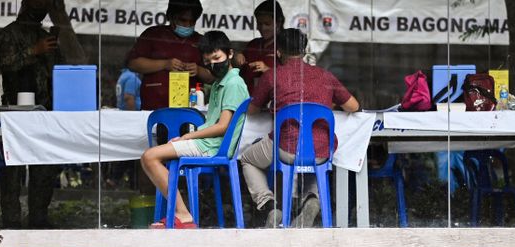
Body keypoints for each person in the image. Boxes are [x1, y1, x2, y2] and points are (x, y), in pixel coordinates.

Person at [240, 28, 359, 228]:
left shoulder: (272, 76)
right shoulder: (325, 76)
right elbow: (353, 106)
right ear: (304, 51)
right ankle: (312, 199)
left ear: (278, 52)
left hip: (285, 149)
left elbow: (251, 110)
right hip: (321, 151)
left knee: (247, 159)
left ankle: (269, 205)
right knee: (313, 161)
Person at [141, 31, 249, 229]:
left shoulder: (233, 84)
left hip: (212, 146)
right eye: (207, 61)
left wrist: (188, 136)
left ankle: (182, 215)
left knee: (150, 157)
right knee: (154, 155)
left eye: (217, 58)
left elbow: (222, 127)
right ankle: (179, 213)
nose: (212, 65)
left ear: (230, 54)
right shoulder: (220, 83)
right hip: (208, 143)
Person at [0, 0, 84, 228]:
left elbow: (66, 67)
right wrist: (35, 50)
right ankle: (11, 221)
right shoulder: (9, 34)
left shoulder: (45, 36)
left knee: (44, 169)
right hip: (16, 111)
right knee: (13, 171)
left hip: (44, 111)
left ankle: (38, 218)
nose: (39, 9)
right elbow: (6, 63)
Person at [126, 0, 213, 111]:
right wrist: (165, 64)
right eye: (183, 20)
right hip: (154, 108)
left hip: (189, 109)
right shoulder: (153, 34)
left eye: (192, 21)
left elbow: (213, 77)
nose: (188, 25)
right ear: (171, 16)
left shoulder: (200, 41)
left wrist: (198, 70)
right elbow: (132, 63)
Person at [236, 0, 284, 92]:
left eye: (267, 24)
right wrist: (237, 57)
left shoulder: (285, 47)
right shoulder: (253, 44)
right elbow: (238, 69)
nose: (263, 28)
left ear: (278, 23)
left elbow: (292, 77)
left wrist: (267, 70)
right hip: (247, 99)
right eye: (259, 23)